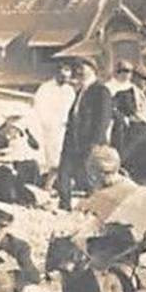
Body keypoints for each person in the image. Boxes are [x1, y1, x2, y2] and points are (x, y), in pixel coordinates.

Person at [57, 58, 114, 209]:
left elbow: (103, 120)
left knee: (89, 180)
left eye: (83, 68)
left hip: (89, 145)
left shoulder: (101, 91)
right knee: (63, 176)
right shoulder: (81, 92)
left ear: (93, 70)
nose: (79, 71)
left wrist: (94, 145)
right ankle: (65, 208)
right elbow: (73, 120)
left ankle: (96, 210)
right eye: (78, 68)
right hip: (72, 145)